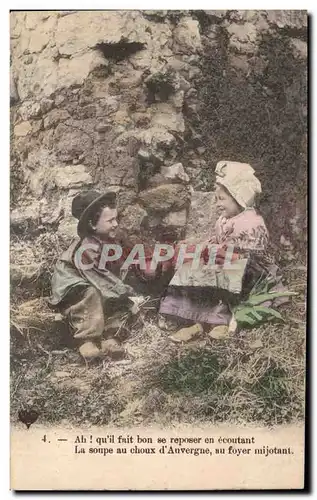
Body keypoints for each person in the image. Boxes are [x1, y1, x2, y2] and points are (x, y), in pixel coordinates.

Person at [159, 160, 276, 341]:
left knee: (223, 274)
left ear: (239, 198)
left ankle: (220, 322)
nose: (217, 204)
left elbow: (251, 252)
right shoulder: (224, 219)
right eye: (216, 199)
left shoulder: (250, 222)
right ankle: (193, 321)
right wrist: (205, 247)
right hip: (224, 259)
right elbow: (217, 241)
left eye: (222, 199)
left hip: (249, 267)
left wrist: (221, 252)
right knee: (194, 269)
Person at [49, 190, 145, 361]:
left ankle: (111, 338)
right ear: (93, 225)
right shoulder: (87, 248)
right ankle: (86, 340)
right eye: (110, 220)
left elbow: (112, 271)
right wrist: (125, 291)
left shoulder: (109, 242)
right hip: (74, 283)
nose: (116, 224)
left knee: (121, 304)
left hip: (101, 283)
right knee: (91, 294)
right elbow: (97, 276)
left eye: (116, 219)